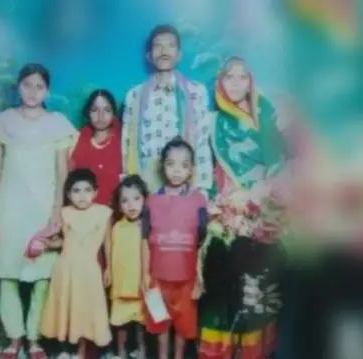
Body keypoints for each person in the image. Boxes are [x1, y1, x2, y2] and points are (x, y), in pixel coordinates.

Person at [0, 64, 77, 359]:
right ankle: (14, 339)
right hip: (9, 207)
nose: (33, 91)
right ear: (18, 87)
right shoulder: (2, 122)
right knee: (8, 274)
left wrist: (57, 211)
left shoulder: (58, 123)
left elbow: (62, 173)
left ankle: (34, 339)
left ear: (47, 91)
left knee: (42, 275)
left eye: (39, 86)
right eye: (27, 84)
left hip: (44, 206)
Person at [199, 57, 285, 359]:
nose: (236, 84)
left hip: (266, 211)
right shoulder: (213, 122)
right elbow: (208, 170)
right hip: (228, 213)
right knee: (224, 287)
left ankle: (255, 351)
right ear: (220, 83)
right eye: (229, 77)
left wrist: (263, 197)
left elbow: (280, 163)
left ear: (251, 82)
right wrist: (223, 207)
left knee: (257, 290)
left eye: (242, 77)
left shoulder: (267, 115)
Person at [122, 24, 212, 195]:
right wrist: (130, 185)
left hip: (184, 175)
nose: (164, 50)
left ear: (179, 55)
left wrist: (203, 188)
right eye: (158, 45)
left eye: (170, 45)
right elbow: (127, 143)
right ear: (149, 56)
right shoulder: (134, 95)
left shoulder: (196, 91)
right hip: (147, 176)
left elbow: (202, 142)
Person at [141, 138, 208, 359]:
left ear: (192, 169)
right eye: (171, 164)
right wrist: (144, 275)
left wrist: (199, 276)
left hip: (186, 278)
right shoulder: (151, 201)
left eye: (184, 165)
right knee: (160, 322)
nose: (177, 171)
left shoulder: (199, 201)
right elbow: (143, 239)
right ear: (162, 166)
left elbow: (202, 241)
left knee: (183, 325)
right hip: (158, 277)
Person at [38, 168, 113, 359]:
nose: (82, 196)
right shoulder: (64, 213)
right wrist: (47, 244)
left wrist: (109, 268)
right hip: (66, 268)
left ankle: (81, 351)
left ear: (95, 193)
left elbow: (107, 243)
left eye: (87, 190)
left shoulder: (103, 213)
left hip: (89, 270)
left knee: (86, 309)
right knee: (66, 307)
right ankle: (64, 350)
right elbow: (65, 240)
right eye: (76, 191)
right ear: (69, 194)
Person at [109, 175, 149, 359]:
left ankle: (142, 351)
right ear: (118, 205)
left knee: (141, 322)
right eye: (125, 201)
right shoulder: (117, 227)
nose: (131, 205)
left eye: (136, 199)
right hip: (121, 283)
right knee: (120, 323)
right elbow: (110, 253)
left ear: (145, 200)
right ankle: (121, 352)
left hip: (140, 284)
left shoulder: (147, 227)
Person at [69, 89, 123, 206]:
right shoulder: (77, 140)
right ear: (88, 113)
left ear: (114, 113)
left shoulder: (123, 140)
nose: (101, 116)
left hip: (117, 211)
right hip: (84, 212)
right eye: (95, 110)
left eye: (107, 110)